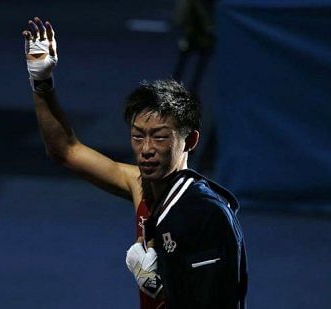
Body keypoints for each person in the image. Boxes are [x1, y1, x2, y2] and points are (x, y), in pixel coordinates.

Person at [22, 17, 247, 309]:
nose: (146, 149)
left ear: (190, 141)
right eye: (138, 136)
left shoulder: (205, 214)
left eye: (160, 137)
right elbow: (64, 150)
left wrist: (163, 281)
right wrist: (41, 82)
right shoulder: (139, 184)